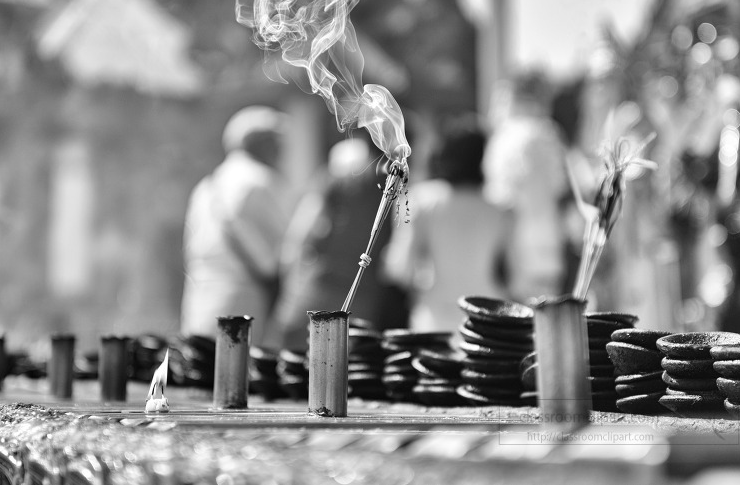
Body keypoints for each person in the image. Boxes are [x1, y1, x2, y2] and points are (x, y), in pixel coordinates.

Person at [269, 138, 409, 350]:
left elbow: (301, 234)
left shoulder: (341, 180)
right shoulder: (390, 189)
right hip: (353, 293)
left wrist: (289, 288)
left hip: (333, 289)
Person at [382, 119, 506, 331]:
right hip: (486, 325)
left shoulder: (421, 201)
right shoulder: (501, 210)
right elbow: (516, 277)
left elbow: (399, 269)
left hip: (433, 325)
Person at [180, 106, 291, 339]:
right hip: (240, 299)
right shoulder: (259, 182)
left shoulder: (206, 185)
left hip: (198, 296)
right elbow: (283, 252)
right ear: (262, 143)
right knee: (237, 370)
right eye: (276, 142)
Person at [482, 72, 570, 302]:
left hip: (518, 251)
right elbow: (561, 189)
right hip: (549, 247)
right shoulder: (550, 134)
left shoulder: (506, 139)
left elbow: (501, 201)